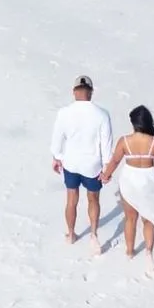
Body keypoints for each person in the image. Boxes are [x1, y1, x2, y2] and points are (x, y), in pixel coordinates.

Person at [102, 105, 154, 268]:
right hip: (148, 179)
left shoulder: (125, 141)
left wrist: (106, 175)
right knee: (149, 218)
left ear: (134, 123)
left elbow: (114, 161)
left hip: (129, 179)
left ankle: (129, 251)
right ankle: (149, 252)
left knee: (130, 218)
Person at [49, 74, 114, 246]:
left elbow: (57, 139)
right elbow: (107, 144)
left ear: (74, 91)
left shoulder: (64, 113)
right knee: (94, 199)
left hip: (71, 163)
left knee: (71, 199)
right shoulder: (102, 114)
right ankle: (93, 235)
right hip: (92, 165)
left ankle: (71, 234)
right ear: (91, 92)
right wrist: (107, 167)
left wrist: (57, 157)